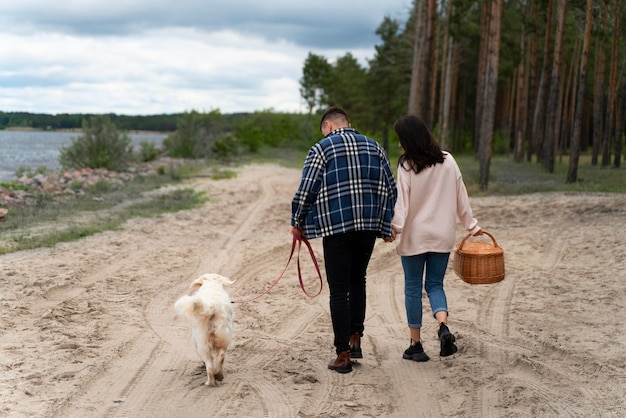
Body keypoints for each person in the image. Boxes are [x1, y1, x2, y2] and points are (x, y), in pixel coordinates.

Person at [291, 106, 397, 373]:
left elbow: (307, 189)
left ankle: (343, 354)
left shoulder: (321, 149)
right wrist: (385, 224)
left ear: (328, 125)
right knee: (357, 279)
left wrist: (297, 222)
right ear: (347, 123)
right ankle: (355, 338)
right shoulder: (375, 147)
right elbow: (390, 189)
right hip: (367, 228)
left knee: (339, 290)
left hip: (336, 227)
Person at [390, 115, 481, 362]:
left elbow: (402, 203)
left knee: (412, 288)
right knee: (435, 285)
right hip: (442, 235)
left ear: (409, 139)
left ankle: (416, 345)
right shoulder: (448, 160)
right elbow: (461, 197)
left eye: (401, 140)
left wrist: (394, 228)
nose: (399, 145)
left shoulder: (407, 165)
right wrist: (472, 227)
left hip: (414, 236)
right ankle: (443, 326)